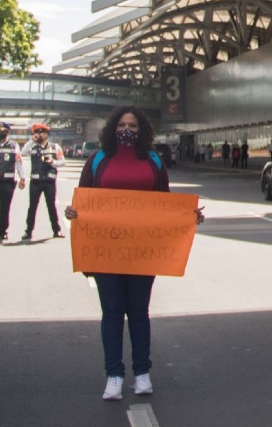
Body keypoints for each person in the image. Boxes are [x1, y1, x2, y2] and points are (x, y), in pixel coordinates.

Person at [64, 106, 204, 401]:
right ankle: (113, 375)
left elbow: (165, 204)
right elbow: (84, 198)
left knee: (139, 313)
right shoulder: (98, 159)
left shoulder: (153, 160)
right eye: (123, 124)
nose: (127, 129)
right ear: (113, 127)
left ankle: (142, 373)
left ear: (142, 130)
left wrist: (188, 216)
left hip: (142, 251)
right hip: (106, 251)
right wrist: (73, 212)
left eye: (133, 125)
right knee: (112, 314)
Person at [21, 123, 64, 241]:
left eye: (42, 133)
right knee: (32, 207)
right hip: (35, 181)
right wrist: (31, 140)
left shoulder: (55, 147)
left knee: (51, 206)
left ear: (46, 134)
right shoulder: (32, 147)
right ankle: (28, 232)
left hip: (49, 181)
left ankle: (57, 230)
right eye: (37, 133)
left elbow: (62, 162)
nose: (39, 135)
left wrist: (53, 162)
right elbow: (23, 153)